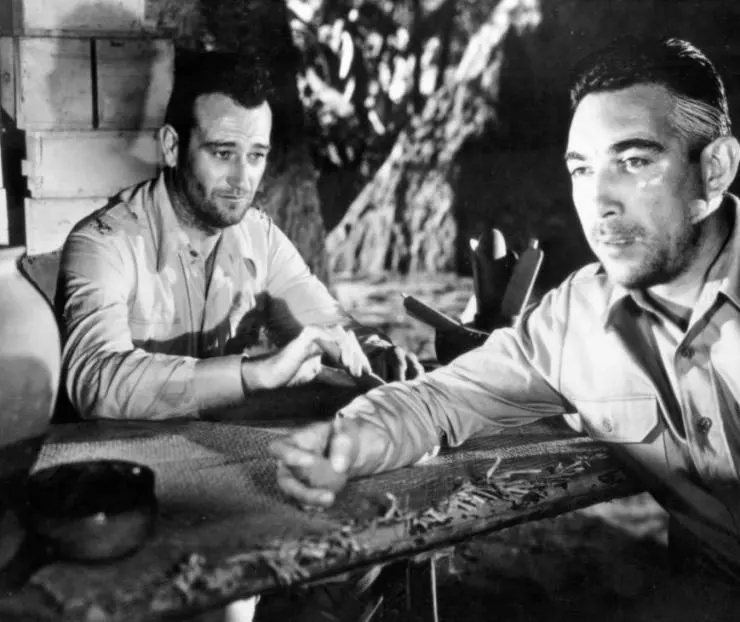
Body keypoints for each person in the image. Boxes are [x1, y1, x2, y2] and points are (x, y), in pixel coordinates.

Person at [270, 36, 740, 617]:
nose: (599, 201)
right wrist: (351, 440)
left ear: (714, 168)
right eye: (582, 169)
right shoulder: (579, 317)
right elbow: (444, 399)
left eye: (635, 162)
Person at [57, 52, 423, 421]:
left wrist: (376, 353)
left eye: (256, 156)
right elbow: (95, 381)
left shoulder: (259, 237)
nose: (242, 179)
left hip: (208, 448)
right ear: (171, 147)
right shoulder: (104, 243)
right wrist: (254, 374)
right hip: (111, 454)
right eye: (223, 153)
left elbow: (327, 323)